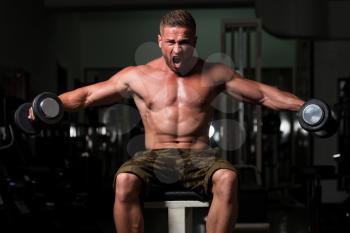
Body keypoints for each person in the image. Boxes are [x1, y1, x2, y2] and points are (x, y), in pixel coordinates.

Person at [29, 9, 304, 233]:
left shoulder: (214, 73)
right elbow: (88, 95)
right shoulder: (138, 76)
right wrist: (50, 105)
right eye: (171, 42)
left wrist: (303, 106)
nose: (177, 49)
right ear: (160, 40)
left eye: (184, 42)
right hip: (154, 156)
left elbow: (262, 95)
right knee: (124, 180)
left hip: (200, 156)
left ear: (194, 42)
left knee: (228, 178)